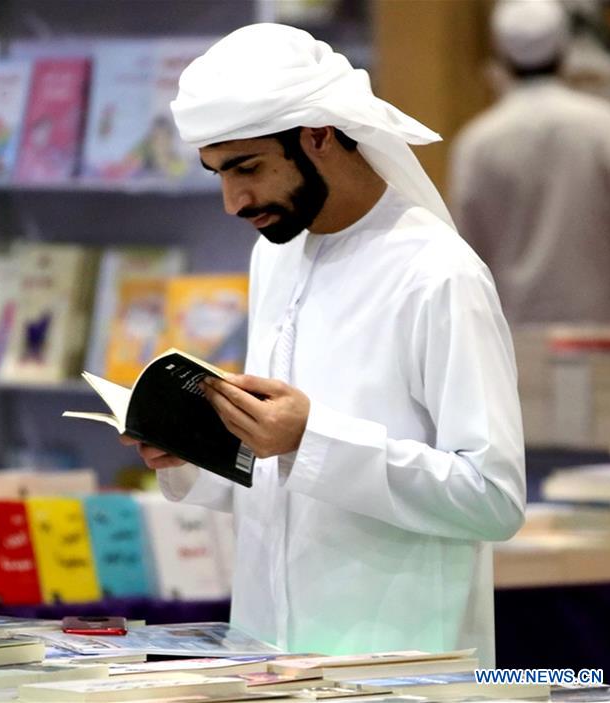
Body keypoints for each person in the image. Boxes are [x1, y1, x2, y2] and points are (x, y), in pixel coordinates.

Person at [120, 23, 526, 666]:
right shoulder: (274, 258)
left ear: (320, 135)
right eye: (218, 174)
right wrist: (193, 449)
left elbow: (493, 500)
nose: (233, 201)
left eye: (247, 167)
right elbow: (285, 483)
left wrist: (312, 438)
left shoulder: (437, 273)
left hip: (398, 663)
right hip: (267, 658)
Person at [449, 0, 610, 324]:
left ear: (501, 56)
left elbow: (466, 252)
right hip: (604, 333)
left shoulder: (477, 143)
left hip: (513, 334)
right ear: (564, 50)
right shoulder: (607, 128)